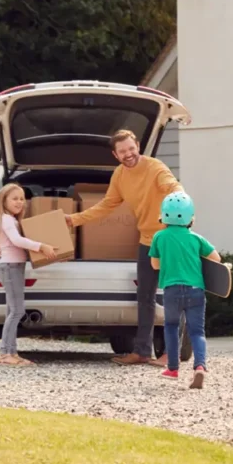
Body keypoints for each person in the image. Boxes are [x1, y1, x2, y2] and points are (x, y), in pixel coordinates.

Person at [66, 129, 182, 367]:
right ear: (115, 155)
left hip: (169, 238)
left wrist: (182, 209)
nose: (128, 154)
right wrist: (75, 219)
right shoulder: (119, 175)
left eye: (131, 148)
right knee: (145, 297)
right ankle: (141, 352)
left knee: (172, 296)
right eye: (122, 151)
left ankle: (171, 354)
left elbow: (173, 187)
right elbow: (107, 205)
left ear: (137, 145)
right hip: (147, 240)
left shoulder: (155, 168)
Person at [149, 191, 221, 389]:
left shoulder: (159, 237)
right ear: (190, 217)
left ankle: (172, 368)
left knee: (171, 327)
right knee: (197, 331)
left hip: (172, 290)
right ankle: (200, 367)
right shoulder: (196, 239)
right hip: (196, 290)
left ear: (164, 216)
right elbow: (216, 259)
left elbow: (155, 265)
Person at [0, 183, 58, 366]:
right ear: (4, 201)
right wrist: (41, 246)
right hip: (11, 268)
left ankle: (12, 352)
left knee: (11, 311)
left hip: (15, 267)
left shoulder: (10, 220)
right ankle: (5, 353)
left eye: (22, 199)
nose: (19, 202)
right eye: (15, 198)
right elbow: (16, 240)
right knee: (17, 311)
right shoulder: (5, 219)